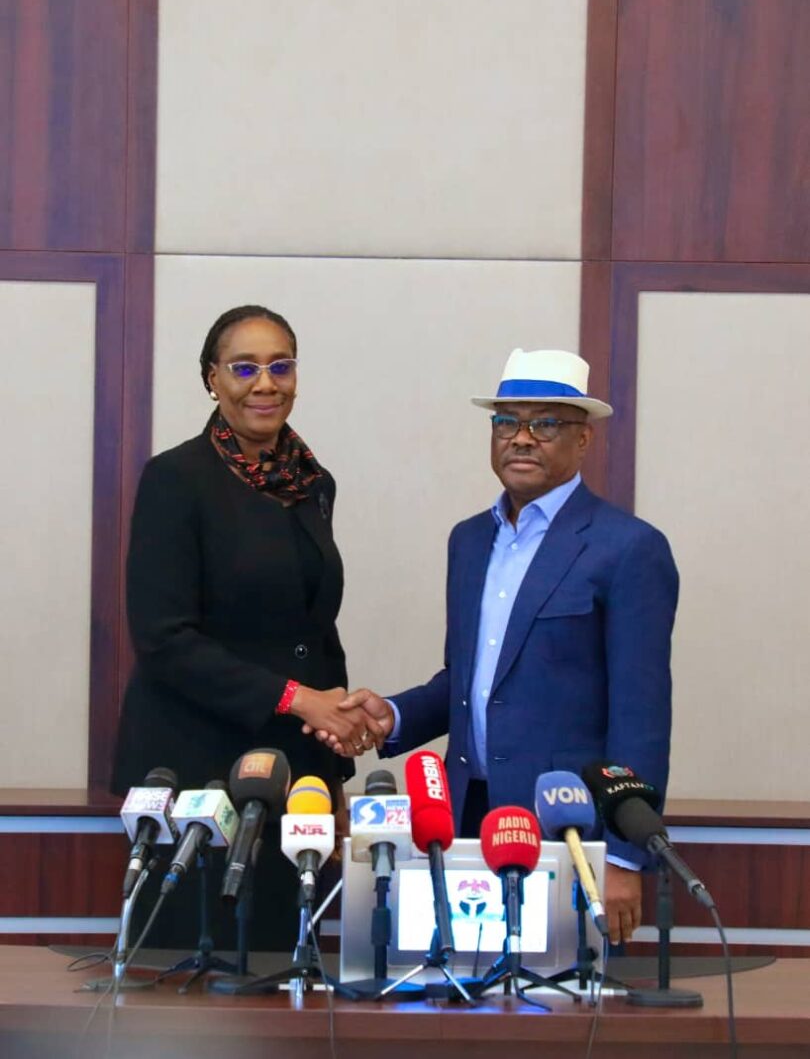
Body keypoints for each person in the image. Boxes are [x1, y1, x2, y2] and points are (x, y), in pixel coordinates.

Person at [310, 348, 678, 945]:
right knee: (456, 987)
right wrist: (393, 715)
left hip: (567, 829)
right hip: (464, 817)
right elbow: (469, 680)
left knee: (556, 994)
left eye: (546, 424)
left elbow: (642, 716)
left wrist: (623, 857)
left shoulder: (628, 548)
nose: (522, 438)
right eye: (507, 422)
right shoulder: (470, 540)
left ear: (584, 439)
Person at [111, 304, 383, 951]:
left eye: (280, 366)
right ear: (212, 378)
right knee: (188, 968)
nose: (265, 383)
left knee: (281, 967)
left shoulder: (313, 482)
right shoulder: (175, 479)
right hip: (193, 765)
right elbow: (163, 640)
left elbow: (316, 633)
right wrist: (297, 698)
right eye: (244, 368)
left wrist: (333, 770)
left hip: (291, 772)